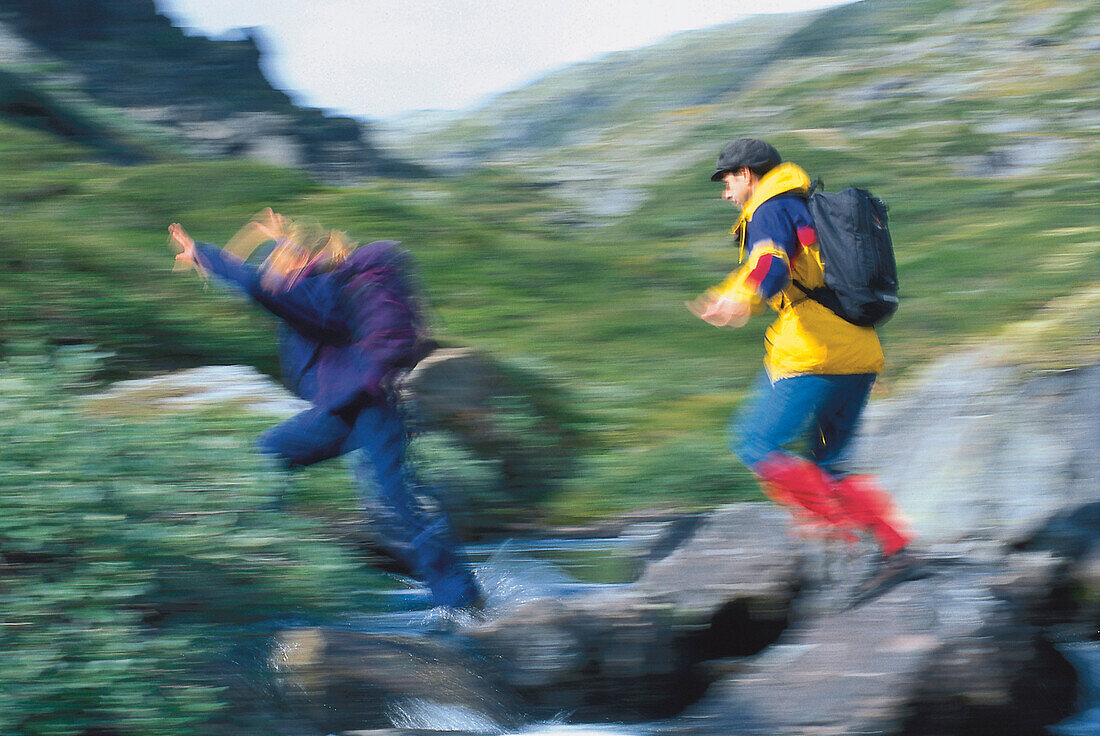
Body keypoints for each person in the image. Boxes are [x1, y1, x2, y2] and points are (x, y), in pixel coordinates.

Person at [169, 211, 483, 611]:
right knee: (272, 456)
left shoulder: (321, 290)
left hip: (370, 407)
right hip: (346, 410)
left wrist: (205, 255)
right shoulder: (322, 285)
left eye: (280, 263)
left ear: (300, 261)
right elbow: (286, 284)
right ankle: (255, 566)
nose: (272, 273)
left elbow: (264, 288)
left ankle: (463, 603)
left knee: (397, 505)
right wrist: (283, 243)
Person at [687, 138, 920, 599]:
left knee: (754, 442)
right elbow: (787, 275)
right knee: (830, 464)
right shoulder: (804, 207)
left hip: (815, 356)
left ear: (749, 174)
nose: (725, 192)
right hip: (860, 353)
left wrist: (740, 300)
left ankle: (846, 535)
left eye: (728, 180)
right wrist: (734, 296)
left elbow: (770, 267)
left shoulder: (769, 209)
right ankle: (898, 548)